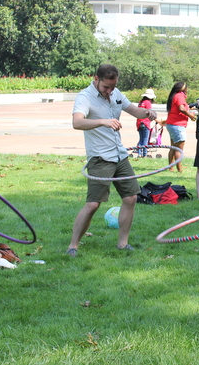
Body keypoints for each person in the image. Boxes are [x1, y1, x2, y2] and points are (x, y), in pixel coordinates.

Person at [66, 64, 157, 256]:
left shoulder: (116, 94)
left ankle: (123, 244)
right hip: (100, 157)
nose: (109, 91)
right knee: (93, 204)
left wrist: (148, 113)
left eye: (112, 87)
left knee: (131, 197)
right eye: (106, 87)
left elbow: (135, 111)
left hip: (120, 155)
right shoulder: (85, 97)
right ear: (96, 79)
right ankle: (73, 245)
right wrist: (102, 121)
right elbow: (77, 122)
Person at [165, 82, 196, 172]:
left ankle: (171, 168)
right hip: (177, 125)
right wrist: (190, 115)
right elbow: (181, 108)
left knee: (173, 147)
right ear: (183, 89)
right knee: (179, 149)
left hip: (171, 124)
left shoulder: (175, 95)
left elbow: (180, 107)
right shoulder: (180, 96)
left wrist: (189, 108)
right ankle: (179, 169)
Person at [136, 88, 156, 158]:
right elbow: (150, 113)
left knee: (141, 139)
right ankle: (144, 154)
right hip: (145, 123)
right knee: (145, 139)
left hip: (139, 122)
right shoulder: (148, 102)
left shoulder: (141, 102)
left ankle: (139, 153)